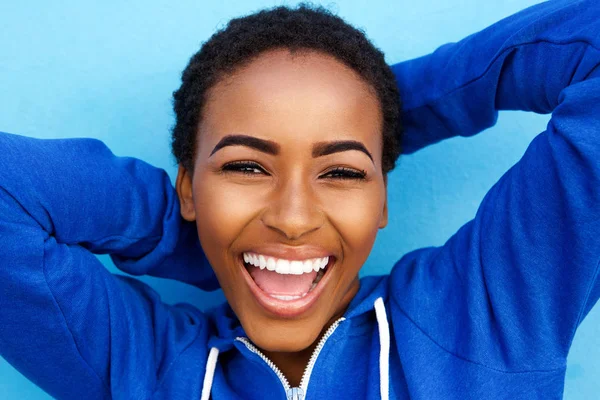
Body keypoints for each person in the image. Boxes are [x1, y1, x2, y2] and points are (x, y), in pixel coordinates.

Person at [0, 0, 598, 398]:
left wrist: (380, 106)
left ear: (382, 195)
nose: (291, 218)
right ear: (189, 185)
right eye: (244, 165)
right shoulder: (144, 368)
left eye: (341, 172)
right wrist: (198, 236)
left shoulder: (489, 316)